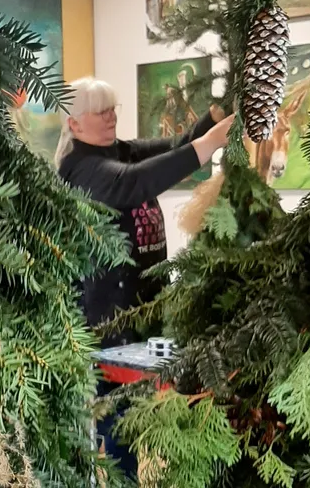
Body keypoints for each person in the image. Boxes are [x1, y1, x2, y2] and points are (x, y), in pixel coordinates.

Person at [54, 77, 233, 476]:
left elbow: (177, 145)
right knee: (119, 438)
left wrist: (218, 115)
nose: (111, 116)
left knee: (136, 429)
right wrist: (208, 146)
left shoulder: (122, 151)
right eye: (100, 111)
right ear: (75, 124)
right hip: (106, 336)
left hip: (140, 327)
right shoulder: (81, 169)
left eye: (113, 107)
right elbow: (132, 182)